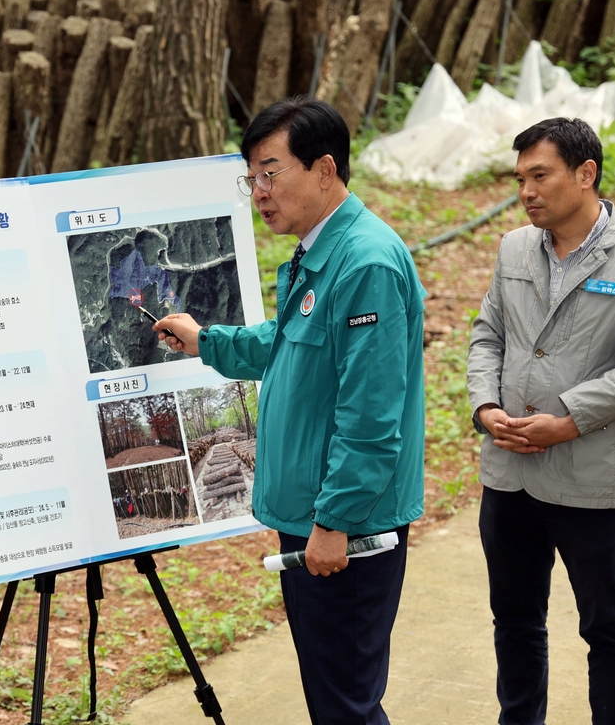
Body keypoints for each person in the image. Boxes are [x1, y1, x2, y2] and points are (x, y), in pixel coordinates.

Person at [154, 98, 426, 725]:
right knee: (334, 696)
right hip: (314, 515)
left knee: (346, 705)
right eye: (252, 178)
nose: (259, 192)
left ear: (325, 169)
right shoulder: (320, 251)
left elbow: (371, 413)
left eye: (271, 174)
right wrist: (208, 341)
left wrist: (335, 521)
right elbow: (291, 342)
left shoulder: (366, 263)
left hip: (346, 526)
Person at [468, 117, 615, 725]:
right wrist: (485, 408)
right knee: (514, 621)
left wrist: (568, 420)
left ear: (585, 174)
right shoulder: (513, 247)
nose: (527, 191)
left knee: (606, 624)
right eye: (520, 180)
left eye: (541, 176)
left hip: (592, 478)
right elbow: (489, 337)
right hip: (509, 474)